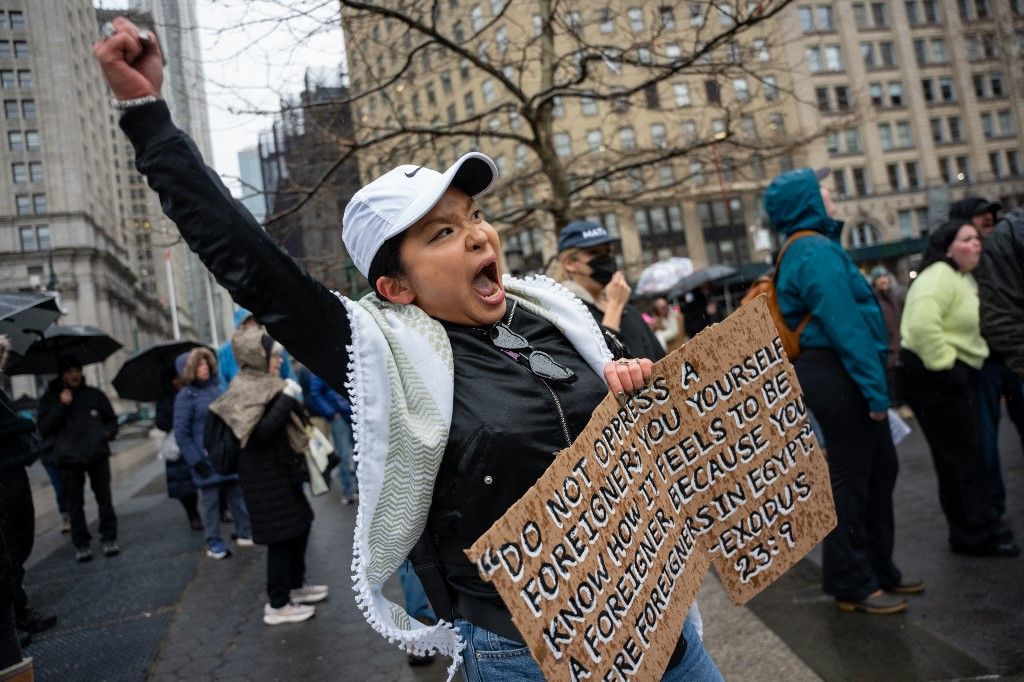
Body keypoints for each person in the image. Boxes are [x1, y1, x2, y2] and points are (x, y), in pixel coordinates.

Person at [93, 20, 719, 679]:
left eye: (474, 215)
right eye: (442, 232)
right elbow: (250, 264)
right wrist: (148, 117)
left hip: (667, 627)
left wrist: (631, 384)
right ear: (396, 287)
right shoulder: (385, 360)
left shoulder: (553, 316)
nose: (478, 236)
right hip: (535, 655)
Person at [764, 168, 919, 615]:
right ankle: (853, 583)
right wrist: (875, 394)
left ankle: (877, 570)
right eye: (823, 190)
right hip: (837, 373)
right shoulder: (813, 249)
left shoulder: (809, 247)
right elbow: (846, 326)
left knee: (878, 469)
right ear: (808, 202)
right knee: (852, 481)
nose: (831, 195)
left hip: (836, 371)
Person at [899, 220, 1019, 557]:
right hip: (934, 376)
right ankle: (973, 536)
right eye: (967, 239)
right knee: (959, 459)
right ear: (947, 247)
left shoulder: (961, 278)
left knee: (966, 456)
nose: (977, 243)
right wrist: (947, 366)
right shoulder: (938, 276)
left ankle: (976, 528)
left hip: (948, 374)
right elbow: (921, 326)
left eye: (977, 238)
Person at [210, 328, 327, 626]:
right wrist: (285, 398)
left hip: (282, 473)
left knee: (301, 523)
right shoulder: (244, 389)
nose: (279, 361)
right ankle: (277, 604)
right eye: (274, 356)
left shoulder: (267, 383)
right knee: (280, 538)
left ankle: (295, 585)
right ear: (257, 356)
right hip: (262, 477)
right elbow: (260, 432)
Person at [953, 201, 1024, 523]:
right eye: (979, 216)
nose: (988, 219)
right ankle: (993, 512)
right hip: (984, 365)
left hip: (1009, 359)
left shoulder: (1003, 248)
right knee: (986, 443)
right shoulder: (957, 269)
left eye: (990, 215)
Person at [0, 336, 57, 638]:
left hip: (14, 472)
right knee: (9, 546)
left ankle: (16, 611)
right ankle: (15, 615)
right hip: (4, 475)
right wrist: (22, 426)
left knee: (20, 540)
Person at [37, 356, 119, 562]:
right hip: (69, 459)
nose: (74, 375)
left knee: (104, 499)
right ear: (62, 375)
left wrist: (106, 434)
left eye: (77, 370)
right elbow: (44, 428)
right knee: (74, 504)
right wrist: (61, 405)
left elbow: (111, 420)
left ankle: (109, 537)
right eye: (69, 371)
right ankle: (82, 543)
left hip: (97, 454)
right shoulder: (50, 399)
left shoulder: (94, 395)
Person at [172, 348, 252, 559]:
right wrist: (196, 461)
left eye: (206, 362)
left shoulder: (217, 389)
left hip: (226, 454)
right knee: (211, 502)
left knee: (237, 494)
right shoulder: (185, 397)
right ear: (190, 369)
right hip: (205, 460)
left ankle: (245, 532)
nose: (205, 367)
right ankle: (214, 542)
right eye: (199, 364)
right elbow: (181, 434)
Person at [555, 220, 666, 361]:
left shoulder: (628, 311)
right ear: (570, 263)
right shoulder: (566, 314)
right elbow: (601, 365)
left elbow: (661, 360)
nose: (605, 259)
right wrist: (614, 307)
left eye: (607, 251)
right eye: (594, 252)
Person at [155, 367, 201, 531]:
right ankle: (193, 515)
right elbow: (160, 422)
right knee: (184, 485)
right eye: (176, 377)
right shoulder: (165, 399)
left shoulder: (194, 391)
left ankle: (221, 508)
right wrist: (178, 419)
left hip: (197, 439)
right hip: (177, 446)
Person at [308, 373, 357, 504]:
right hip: (339, 415)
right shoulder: (320, 368)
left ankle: (359, 488)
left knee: (358, 453)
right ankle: (348, 491)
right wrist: (331, 413)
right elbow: (316, 393)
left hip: (351, 412)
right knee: (344, 455)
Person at [219, 308, 294, 388]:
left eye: (257, 325)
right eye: (249, 327)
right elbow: (224, 385)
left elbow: (290, 378)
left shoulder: (272, 346)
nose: (254, 331)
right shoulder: (226, 351)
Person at [870, 266, 906, 410]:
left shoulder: (896, 298)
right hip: (887, 348)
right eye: (879, 278)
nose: (883, 280)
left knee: (901, 377)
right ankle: (896, 406)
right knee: (891, 380)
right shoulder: (874, 302)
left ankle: (901, 404)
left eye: (885, 277)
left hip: (900, 344)